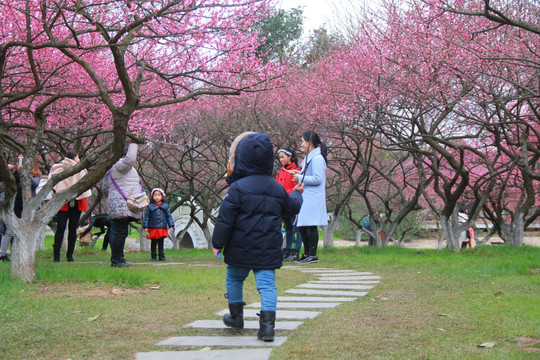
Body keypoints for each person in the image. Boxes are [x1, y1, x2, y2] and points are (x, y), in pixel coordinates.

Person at [212, 132, 303, 342]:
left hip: (239, 247)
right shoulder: (276, 187)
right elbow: (290, 209)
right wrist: (297, 192)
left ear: (241, 158)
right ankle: (267, 328)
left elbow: (225, 219)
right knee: (267, 285)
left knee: (234, 278)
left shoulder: (237, 188)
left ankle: (236, 318)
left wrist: (218, 243)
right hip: (267, 248)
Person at [49, 151, 92, 262]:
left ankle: (56, 255)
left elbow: (53, 182)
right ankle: (69, 256)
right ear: (74, 158)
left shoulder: (58, 167)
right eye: (78, 157)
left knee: (60, 228)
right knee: (72, 229)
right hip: (77, 201)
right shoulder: (80, 168)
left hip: (62, 201)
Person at [106, 143, 144, 267]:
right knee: (119, 232)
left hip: (122, 202)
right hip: (120, 203)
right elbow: (130, 159)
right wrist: (133, 144)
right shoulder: (120, 165)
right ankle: (116, 260)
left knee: (121, 232)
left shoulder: (121, 166)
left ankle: (119, 259)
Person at [292, 130, 328, 264]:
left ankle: (312, 255)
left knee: (310, 226)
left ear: (310, 143)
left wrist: (300, 177)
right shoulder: (310, 157)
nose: (301, 144)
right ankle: (306, 252)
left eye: (303, 141)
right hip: (306, 196)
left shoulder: (317, 159)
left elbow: (318, 179)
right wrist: (298, 174)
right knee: (303, 226)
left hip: (312, 197)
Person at [0, 156, 41, 262]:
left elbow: (35, 184)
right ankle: (2, 254)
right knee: (10, 231)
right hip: (14, 203)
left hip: (27, 205)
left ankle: (19, 253)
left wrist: (24, 172)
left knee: (25, 230)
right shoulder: (14, 172)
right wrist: (9, 169)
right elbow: (7, 181)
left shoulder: (35, 173)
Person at [275, 147, 303, 261]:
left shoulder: (297, 171)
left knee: (297, 227)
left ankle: (296, 251)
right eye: (279, 157)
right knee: (288, 227)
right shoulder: (280, 171)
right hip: (282, 203)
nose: (281, 159)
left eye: (283, 157)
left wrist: (284, 193)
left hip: (293, 201)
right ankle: (286, 250)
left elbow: (297, 186)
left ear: (289, 157)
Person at [143, 188, 174, 261]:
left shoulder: (165, 207)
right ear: (152, 197)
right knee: (153, 242)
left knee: (161, 242)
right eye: (155, 195)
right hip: (153, 227)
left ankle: (161, 256)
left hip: (161, 227)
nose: (157, 197)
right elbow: (147, 218)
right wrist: (146, 226)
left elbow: (169, 217)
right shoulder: (150, 207)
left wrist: (171, 225)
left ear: (162, 197)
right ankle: (153, 256)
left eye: (158, 195)